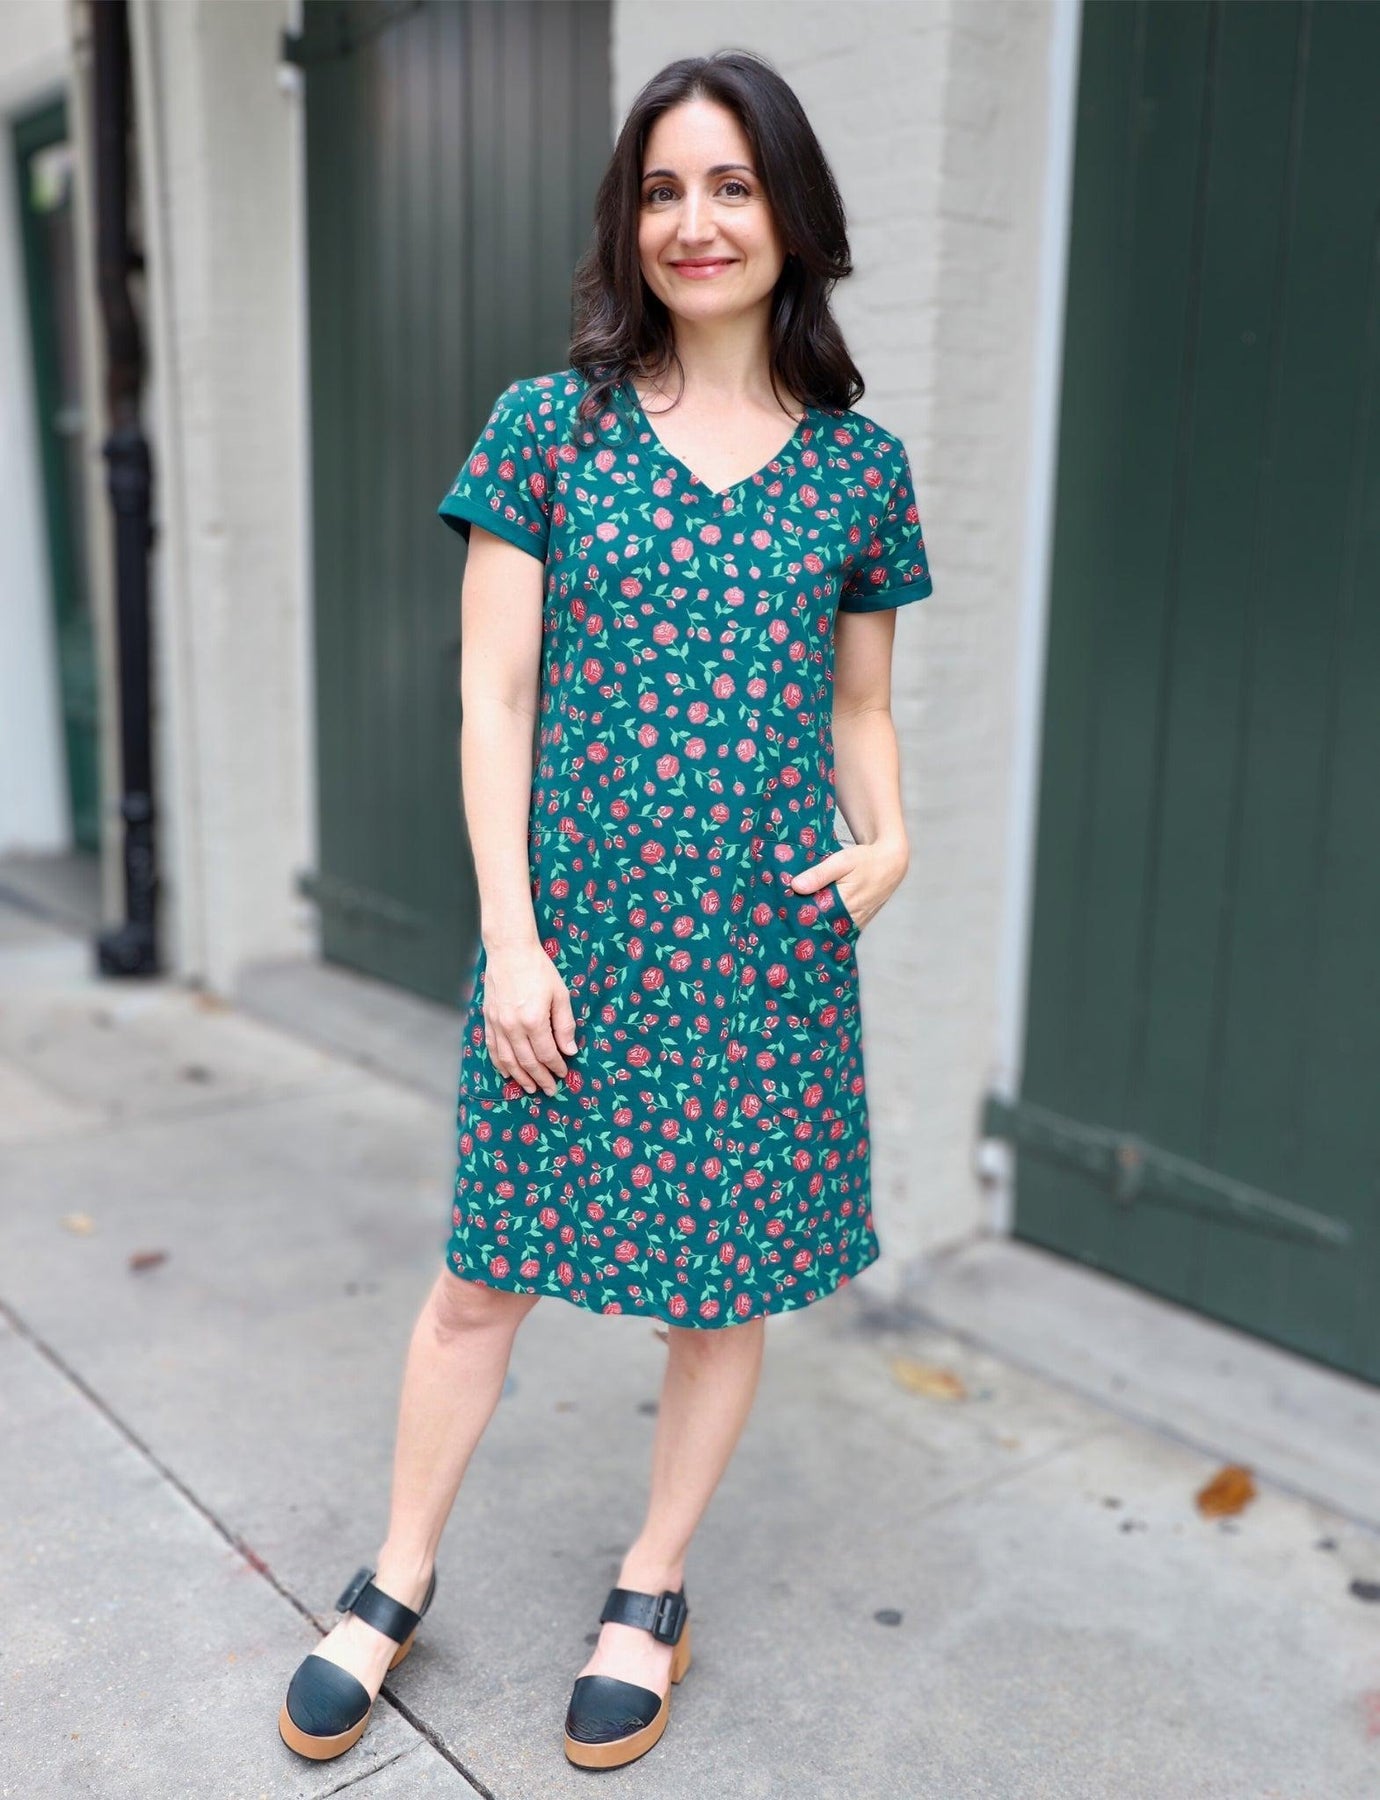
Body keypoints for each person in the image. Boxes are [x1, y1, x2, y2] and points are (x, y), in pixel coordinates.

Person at [277, 46, 933, 1774]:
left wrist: (893, 836)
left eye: (731, 185)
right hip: (570, 949)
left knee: (719, 1294)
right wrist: (510, 937)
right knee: (481, 1281)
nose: (695, 222)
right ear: (626, 223)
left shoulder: (859, 470)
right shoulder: (548, 428)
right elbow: (493, 698)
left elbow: (862, 706)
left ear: (791, 213)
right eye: (662, 190)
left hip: (766, 949)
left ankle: (652, 1584)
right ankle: (397, 1574)